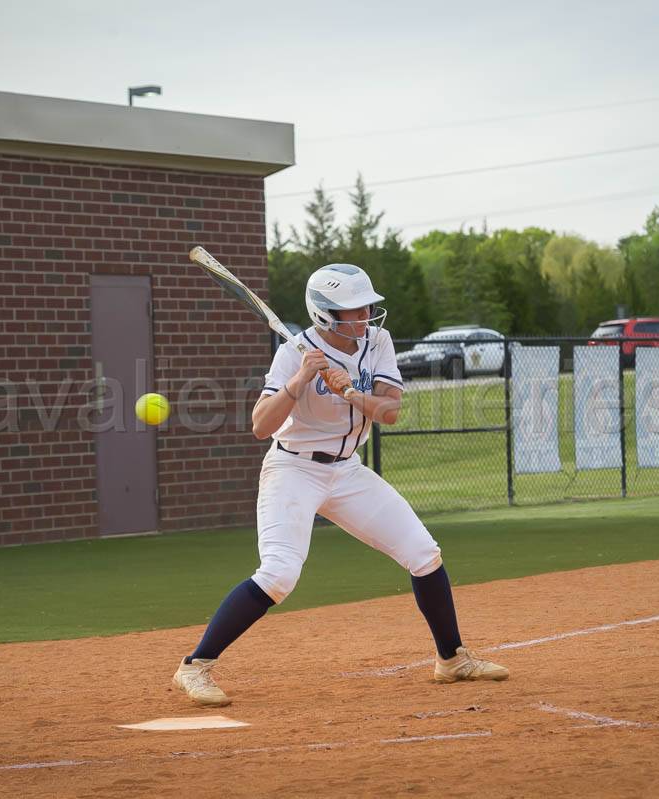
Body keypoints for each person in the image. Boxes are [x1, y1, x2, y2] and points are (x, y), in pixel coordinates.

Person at [171, 263, 509, 707]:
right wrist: (298, 382)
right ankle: (194, 667)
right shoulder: (295, 352)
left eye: (367, 305)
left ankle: (451, 659)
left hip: (347, 471)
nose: (366, 314)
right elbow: (259, 426)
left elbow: (389, 411)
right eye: (354, 309)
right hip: (293, 470)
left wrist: (349, 392)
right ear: (326, 315)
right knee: (279, 574)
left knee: (424, 554)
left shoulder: (378, 342)